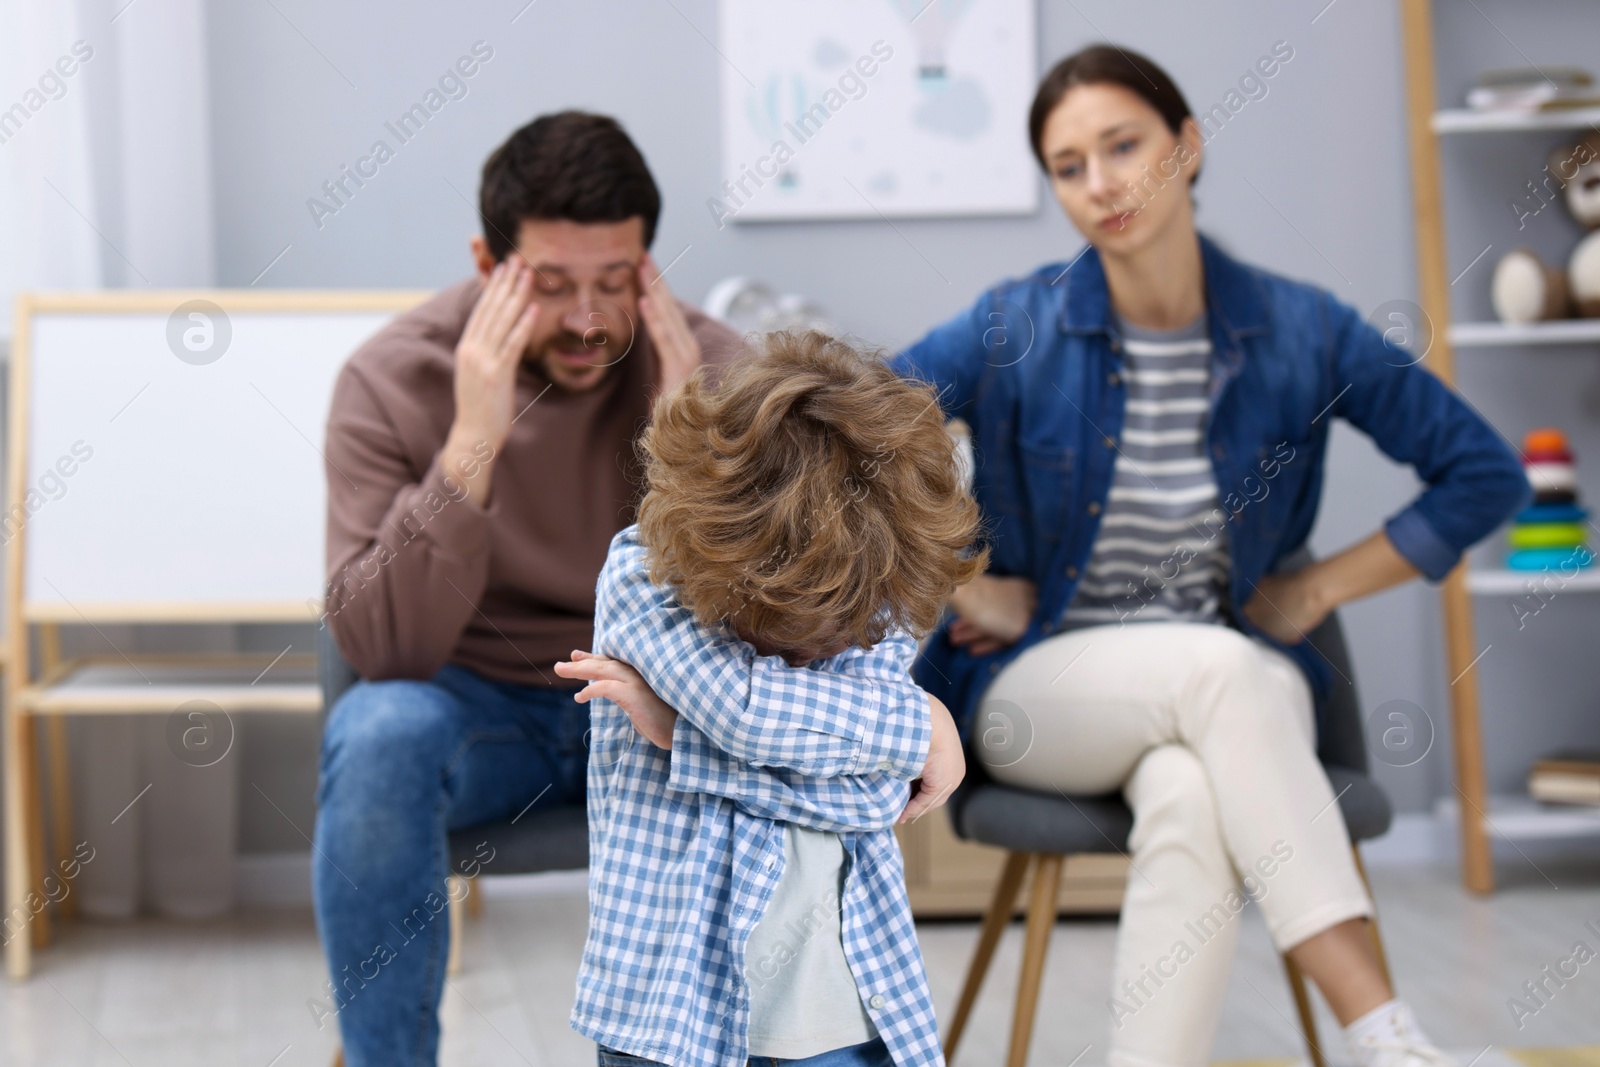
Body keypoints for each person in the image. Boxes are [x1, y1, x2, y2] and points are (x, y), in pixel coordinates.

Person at [886, 44, 1530, 1067]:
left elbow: (1482, 473)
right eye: (1066, 165)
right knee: (1231, 670)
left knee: (1189, 788)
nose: (1099, 183)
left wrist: (1318, 584)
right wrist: (960, 580)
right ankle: (1391, 1038)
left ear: (1186, 145)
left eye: (1122, 145)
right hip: (1035, 691)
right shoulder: (1017, 323)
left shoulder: (1302, 330)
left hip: (1222, 697)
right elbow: (847, 434)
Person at [311, 110, 742, 1066]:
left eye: (615, 282)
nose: (589, 320)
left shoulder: (714, 373)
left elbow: (763, 631)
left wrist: (688, 452)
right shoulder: (392, 379)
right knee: (379, 733)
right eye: (552, 285)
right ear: (486, 263)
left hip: (658, 710)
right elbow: (382, 652)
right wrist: (473, 443)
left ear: (649, 263)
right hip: (479, 714)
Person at [553, 331, 983, 1067]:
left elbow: (877, 799)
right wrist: (924, 725)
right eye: (786, 629)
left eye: (840, 633)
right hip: (669, 1010)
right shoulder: (641, 575)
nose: (823, 651)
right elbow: (746, 712)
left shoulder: (878, 590)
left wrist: (679, 736)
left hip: (843, 1004)